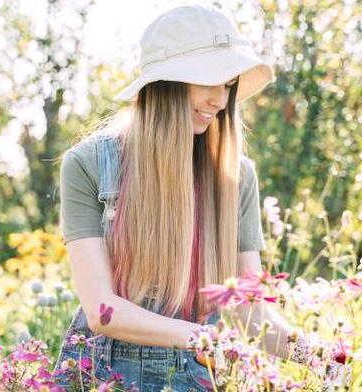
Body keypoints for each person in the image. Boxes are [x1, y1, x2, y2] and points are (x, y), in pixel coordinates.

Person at [52, 4, 306, 391]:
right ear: (165, 85)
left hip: (196, 374)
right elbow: (102, 311)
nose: (220, 101)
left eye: (228, 85)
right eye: (209, 81)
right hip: (102, 375)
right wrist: (204, 338)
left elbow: (249, 311)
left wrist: (318, 354)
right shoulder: (89, 166)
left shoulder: (236, 177)